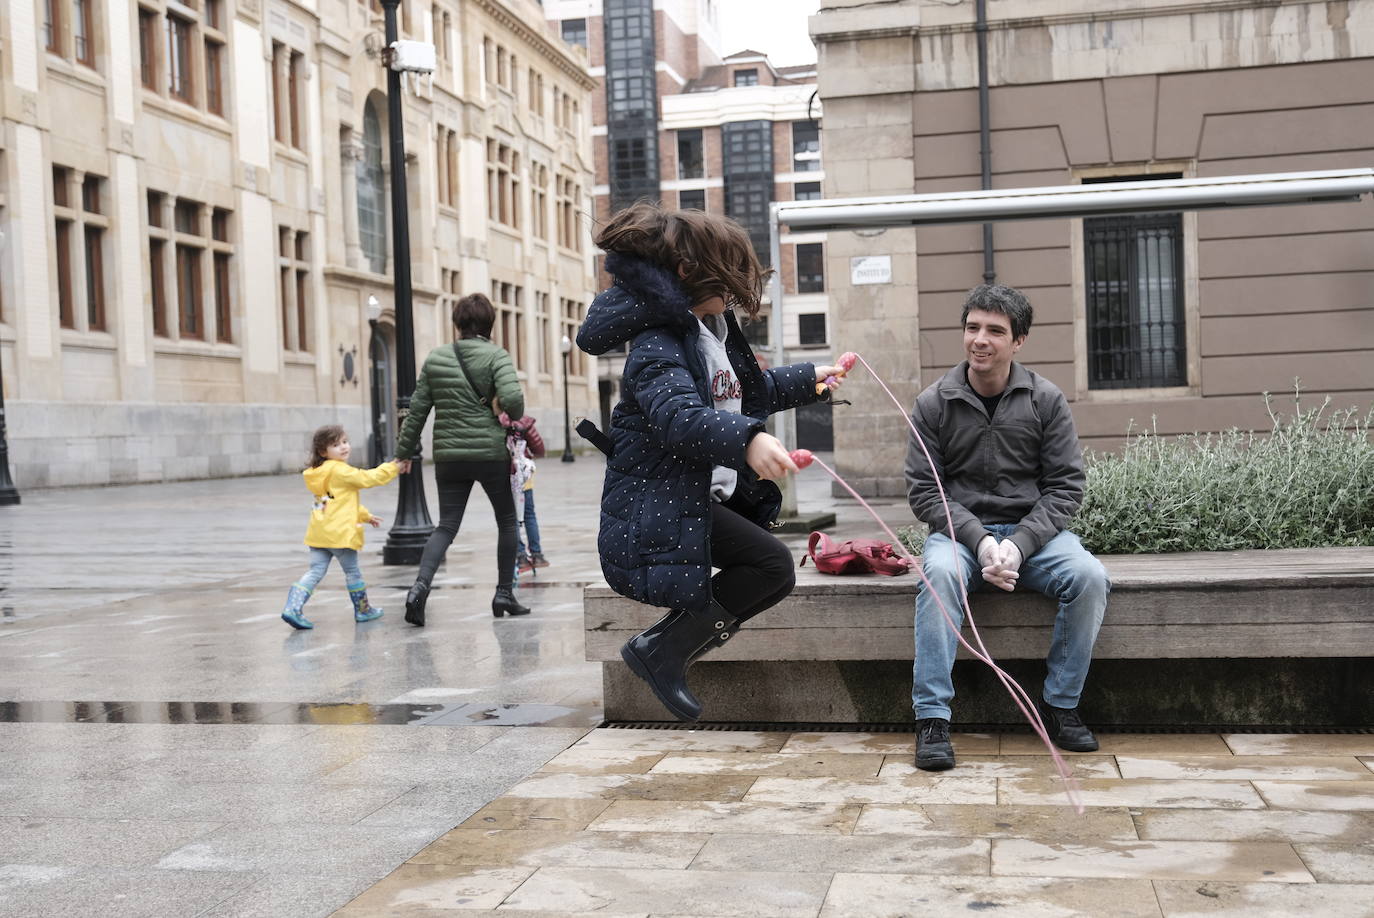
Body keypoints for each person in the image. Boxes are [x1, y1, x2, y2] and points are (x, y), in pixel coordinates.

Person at [576, 202, 847, 722]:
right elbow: (679, 416)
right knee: (771, 565)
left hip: (692, 496)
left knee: (768, 567)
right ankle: (663, 651)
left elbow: (744, 392)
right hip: (656, 502)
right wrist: (749, 442)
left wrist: (811, 378)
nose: (741, 288)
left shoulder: (711, 331)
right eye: (732, 274)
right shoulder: (658, 343)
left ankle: (664, 649)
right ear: (688, 272)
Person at [905, 283, 1111, 771]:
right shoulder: (933, 404)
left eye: (995, 331)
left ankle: (1060, 706)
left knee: (1089, 578)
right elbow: (925, 493)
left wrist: (1018, 545)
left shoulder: (1046, 400)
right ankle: (931, 719)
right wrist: (979, 542)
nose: (980, 339)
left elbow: (1066, 488)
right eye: (973, 327)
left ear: (1018, 341)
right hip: (959, 536)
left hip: (1034, 537)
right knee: (938, 576)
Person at [396, 293, 530, 624]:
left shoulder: (437, 357)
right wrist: (504, 407)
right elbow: (514, 402)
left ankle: (419, 588)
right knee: (507, 521)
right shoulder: (497, 356)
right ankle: (503, 593)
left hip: (449, 457)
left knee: (446, 526)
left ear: (457, 323)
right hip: (488, 453)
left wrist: (404, 453)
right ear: (490, 323)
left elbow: (417, 411)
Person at [281, 425, 410, 630]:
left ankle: (292, 607)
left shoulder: (317, 473)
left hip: (319, 533)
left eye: (344, 442)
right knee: (352, 572)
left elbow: (336, 503)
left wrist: (365, 516)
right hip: (339, 535)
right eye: (335, 444)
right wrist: (393, 467)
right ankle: (363, 609)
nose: (343, 447)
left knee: (315, 571)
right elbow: (368, 479)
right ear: (323, 452)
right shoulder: (340, 470)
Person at [500, 413, 548, 575]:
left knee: (510, 517)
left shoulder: (494, 421)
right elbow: (540, 449)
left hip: (503, 476)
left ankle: (520, 556)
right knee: (529, 514)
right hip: (523, 476)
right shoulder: (524, 421)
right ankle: (537, 554)